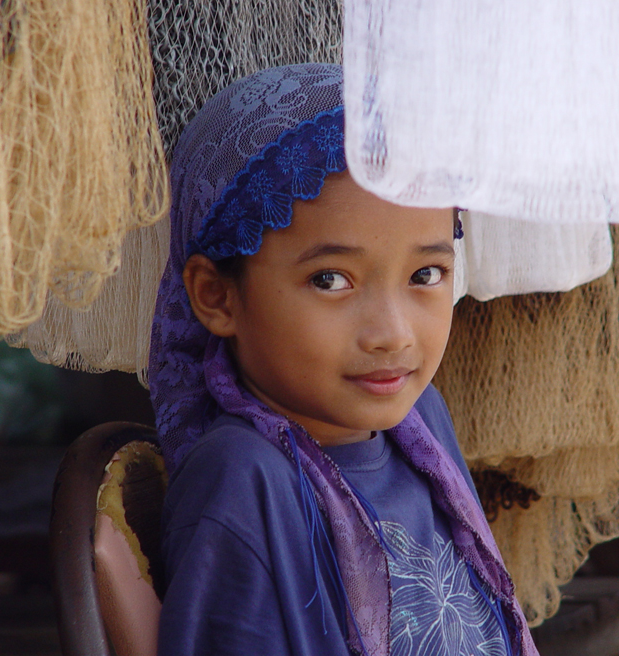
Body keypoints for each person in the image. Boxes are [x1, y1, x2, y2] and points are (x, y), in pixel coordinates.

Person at [150, 63, 538, 656]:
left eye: (425, 275)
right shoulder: (243, 480)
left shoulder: (419, 423)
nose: (392, 333)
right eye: (331, 279)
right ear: (216, 295)